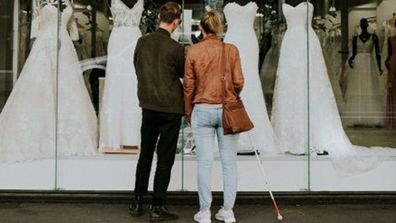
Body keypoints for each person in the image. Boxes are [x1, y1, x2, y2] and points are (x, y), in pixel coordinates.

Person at [184, 11, 244, 223]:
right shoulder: (231, 50)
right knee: (229, 163)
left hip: (202, 108)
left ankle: (204, 212)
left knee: (204, 163)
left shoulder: (193, 50)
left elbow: (188, 87)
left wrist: (188, 112)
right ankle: (228, 210)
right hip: (226, 109)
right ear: (219, 28)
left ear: (201, 28)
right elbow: (239, 82)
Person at [129, 2, 184, 221]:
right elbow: (182, 74)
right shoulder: (175, 48)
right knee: (165, 158)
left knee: (145, 154)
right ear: (175, 22)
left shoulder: (142, 42)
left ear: (160, 18)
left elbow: (137, 67)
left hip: (148, 105)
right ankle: (157, 206)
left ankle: (137, 201)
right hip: (170, 107)